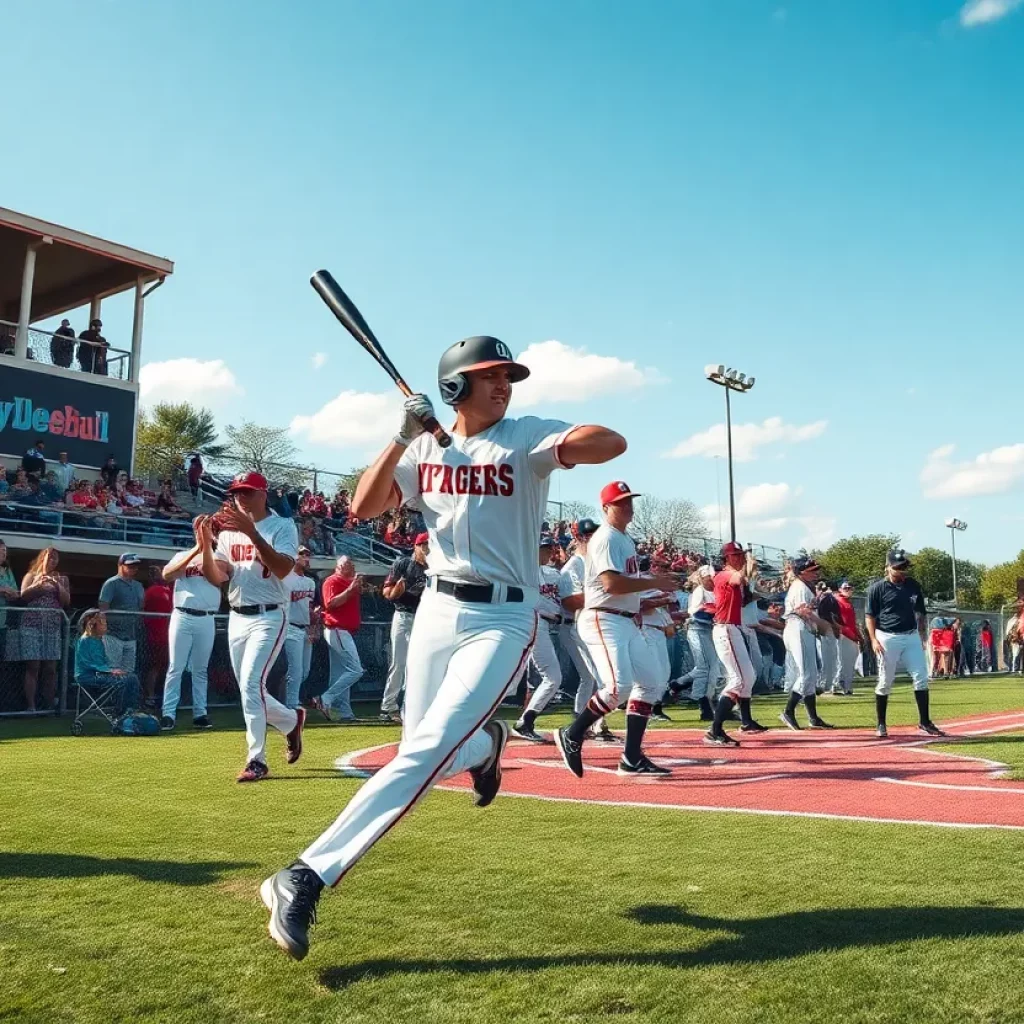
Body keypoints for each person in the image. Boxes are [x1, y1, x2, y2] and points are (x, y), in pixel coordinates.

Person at [261, 334, 624, 961]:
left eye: (508, 375)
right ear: (455, 387)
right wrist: (404, 435)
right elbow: (363, 506)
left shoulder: (524, 436)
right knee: (420, 752)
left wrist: (561, 447)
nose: (504, 384)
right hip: (436, 608)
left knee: (426, 751)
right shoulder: (424, 446)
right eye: (489, 376)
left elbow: (609, 442)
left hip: (504, 618)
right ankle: (486, 746)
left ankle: (305, 874)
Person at [554, 480, 678, 777]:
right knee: (617, 688)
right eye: (620, 501)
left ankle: (632, 757)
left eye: (629, 500)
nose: (627, 505)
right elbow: (611, 584)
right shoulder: (607, 537)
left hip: (624, 619)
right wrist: (653, 583)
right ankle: (572, 734)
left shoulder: (625, 539)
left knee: (651, 683)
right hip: (603, 618)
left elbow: (626, 588)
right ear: (606, 507)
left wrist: (649, 596)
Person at [198, 472, 305, 780]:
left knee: (250, 686)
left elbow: (285, 569)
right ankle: (289, 721)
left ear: (263, 493)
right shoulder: (230, 532)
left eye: (247, 491)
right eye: (236, 492)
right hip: (237, 615)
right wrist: (205, 545)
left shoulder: (282, 526)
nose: (240, 498)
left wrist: (254, 535)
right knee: (249, 690)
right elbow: (217, 576)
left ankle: (256, 759)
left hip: (270, 614)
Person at [865, 548, 945, 739]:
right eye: (898, 568)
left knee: (921, 676)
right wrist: (874, 639)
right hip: (887, 637)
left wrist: (923, 635)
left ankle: (925, 722)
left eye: (904, 567)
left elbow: (921, 612)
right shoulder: (877, 588)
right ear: (888, 567)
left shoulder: (913, 585)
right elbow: (869, 616)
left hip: (910, 635)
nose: (902, 571)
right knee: (885, 681)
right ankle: (881, 723)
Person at [159, 522, 222, 730]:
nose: (203, 533)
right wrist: (196, 548)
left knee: (200, 669)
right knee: (176, 667)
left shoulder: (220, 556)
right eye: (200, 529)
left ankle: (200, 713)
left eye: (207, 530)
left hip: (206, 617)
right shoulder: (181, 555)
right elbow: (167, 575)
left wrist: (206, 550)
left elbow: (221, 580)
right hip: (183, 615)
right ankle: (168, 713)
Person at [557, 518, 615, 741]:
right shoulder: (574, 565)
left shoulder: (596, 562)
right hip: (574, 625)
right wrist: (603, 594)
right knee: (600, 676)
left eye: (593, 533)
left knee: (589, 678)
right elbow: (569, 602)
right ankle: (597, 726)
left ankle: (580, 723)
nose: (591, 537)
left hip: (591, 623)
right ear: (578, 536)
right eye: (587, 534)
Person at [706, 542, 766, 745]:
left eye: (740, 555)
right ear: (725, 558)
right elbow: (739, 577)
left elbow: (744, 586)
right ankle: (715, 729)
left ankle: (746, 721)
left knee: (748, 676)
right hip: (725, 629)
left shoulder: (736, 578)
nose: (739, 558)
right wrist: (749, 564)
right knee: (737, 680)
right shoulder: (723, 574)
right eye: (734, 555)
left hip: (733, 628)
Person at [513, 534, 566, 741]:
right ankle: (525, 721)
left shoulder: (552, 573)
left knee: (549, 677)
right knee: (552, 677)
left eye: (549, 548)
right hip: (531, 623)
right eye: (543, 548)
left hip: (543, 625)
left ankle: (525, 721)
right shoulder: (523, 573)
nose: (547, 552)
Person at [779, 557, 835, 730]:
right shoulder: (800, 587)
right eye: (812, 570)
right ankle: (788, 711)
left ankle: (813, 717)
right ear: (802, 571)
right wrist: (823, 624)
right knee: (806, 674)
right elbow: (804, 612)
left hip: (803, 629)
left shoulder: (804, 586)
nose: (816, 572)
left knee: (811, 674)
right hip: (798, 628)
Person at [379, 532, 430, 722]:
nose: (427, 548)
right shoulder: (404, 564)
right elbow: (386, 592)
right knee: (399, 662)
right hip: (403, 615)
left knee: (419, 664)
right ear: (416, 546)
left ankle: (412, 707)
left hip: (424, 618)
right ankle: (388, 706)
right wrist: (396, 591)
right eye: (423, 545)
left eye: (429, 545)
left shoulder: (434, 568)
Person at [312, 556, 364, 722]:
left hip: (344, 630)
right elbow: (330, 604)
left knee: (340, 674)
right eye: (350, 564)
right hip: (337, 629)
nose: (353, 566)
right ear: (340, 566)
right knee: (355, 670)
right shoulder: (331, 581)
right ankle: (325, 699)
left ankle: (344, 713)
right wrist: (351, 589)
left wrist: (354, 587)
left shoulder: (348, 582)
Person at [19, 547, 70, 712]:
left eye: (56, 558)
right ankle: (31, 706)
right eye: (50, 557)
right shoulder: (31, 576)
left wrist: (56, 585)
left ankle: (49, 705)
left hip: (52, 628)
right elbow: (23, 595)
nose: (53, 561)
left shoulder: (62, 579)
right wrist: (38, 585)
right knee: (33, 666)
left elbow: (66, 601)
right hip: (31, 626)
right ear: (42, 558)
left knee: (51, 668)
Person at [74, 609, 141, 715]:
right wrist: (110, 671)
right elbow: (87, 663)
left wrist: (112, 670)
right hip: (87, 675)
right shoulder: (84, 640)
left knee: (132, 677)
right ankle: (120, 712)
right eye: (101, 621)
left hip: (101, 673)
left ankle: (130, 709)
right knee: (122, 681)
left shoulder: (100, 640)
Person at [685, 564, 721, 721]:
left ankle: (709, 701)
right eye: (710, 577)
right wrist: (712, 610)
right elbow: (695, 613)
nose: (713, 580)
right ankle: (703, 705)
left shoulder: (715, 591)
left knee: (713, 667)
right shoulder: (700, 591)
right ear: (703, 577)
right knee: (704, 667)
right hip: (697, 629)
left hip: (709, 630)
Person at [98, 554, 145, 673]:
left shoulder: (138, 586)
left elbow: (141, 608)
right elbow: (103, 608)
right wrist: (103, 629)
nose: (133, 568)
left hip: (131, 636)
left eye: (135, 566)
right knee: (113, 670)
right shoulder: (111, 583)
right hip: (113, 635)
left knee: (128, 673)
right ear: (120, 565)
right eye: (130, 565)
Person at [283, 547, 317, 710]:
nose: (306, 557)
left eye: (307, 555)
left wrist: (313, 626)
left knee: (304, 671)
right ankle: (291, 704)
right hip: (290, 626)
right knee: (295, 670)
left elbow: (310, 607)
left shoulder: (310, 582)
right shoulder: (286, 579)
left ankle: (288, 700)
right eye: (302, 554)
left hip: (304, 628)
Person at [142, 565, 174, 708]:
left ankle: (166, 696)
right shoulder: (150, 592)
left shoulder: (171, 590)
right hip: (156, 636)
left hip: (171, 635)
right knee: (155, 666)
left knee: (170, 667)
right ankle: (150, 696)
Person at [833, 579, 862, 695]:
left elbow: (852, 622)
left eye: (850, 588)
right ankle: (836, 684)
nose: (848, 590)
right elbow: (835, 620)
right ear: (840, 589)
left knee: (850, 662)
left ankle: (847, 686)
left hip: (851, 635)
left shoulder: (848, 602)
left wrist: (858, 635)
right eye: (846, 588)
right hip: (843, 634)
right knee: (841, 661)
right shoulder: (838, 601)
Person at [816, 580, 843, 695]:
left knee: (830, 659)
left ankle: (828, 684)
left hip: (827, 631)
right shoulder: (829, 599)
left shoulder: (827, 599)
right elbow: (828, 617)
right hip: (827, 631)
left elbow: (831, 617)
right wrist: (835, 627)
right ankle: (826, 684)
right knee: (828, 659)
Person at [0, 540, 19, 656]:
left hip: (2, 624)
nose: (4, 553)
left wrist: (11, 594)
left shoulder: (7, 571)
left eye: (5, 551)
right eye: (1, 550)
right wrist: (3, 590)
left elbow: (15, 592)